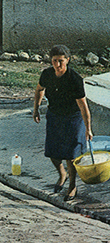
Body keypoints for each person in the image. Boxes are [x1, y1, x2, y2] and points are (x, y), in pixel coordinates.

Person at [33, 44, 93, 201]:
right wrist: (36, 109)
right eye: (54, 60)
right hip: (55, 115)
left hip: (73, 118)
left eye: (61, 61)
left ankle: (72, 186)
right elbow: (39, 89)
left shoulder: (75, 79)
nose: (57, 64)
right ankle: (62, 174)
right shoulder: (47, 74)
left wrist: (88, 129)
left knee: (71, 155)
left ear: (68, 60)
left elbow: (83, 106)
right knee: (52, 152)